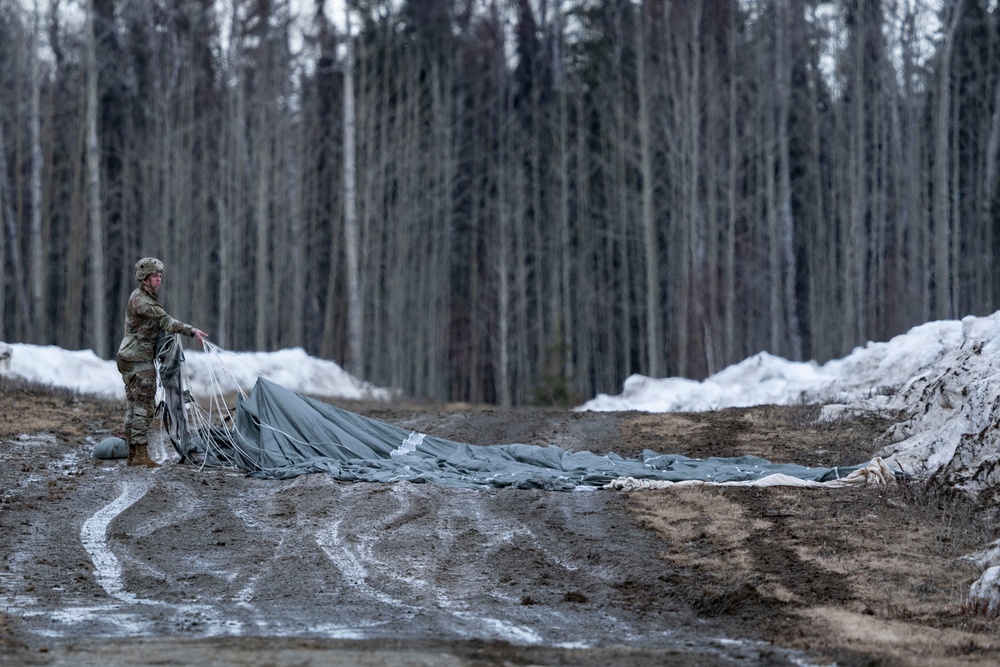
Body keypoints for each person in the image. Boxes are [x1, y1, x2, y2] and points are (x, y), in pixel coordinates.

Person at [115, 257, 207, 467]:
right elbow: (166, 321)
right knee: (144, 407)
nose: (159, 280)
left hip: (130, 357)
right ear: (144, 278)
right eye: (155, 276)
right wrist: (191, 331)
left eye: (160, 276)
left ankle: (133, 453)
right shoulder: (144, 302)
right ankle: (139, 455)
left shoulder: (140, 296)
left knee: (133, 405)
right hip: (139, 359)